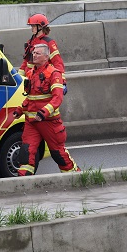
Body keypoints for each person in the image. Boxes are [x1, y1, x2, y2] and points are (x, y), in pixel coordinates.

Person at [16, 43, 79, 176]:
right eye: (33, 53)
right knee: (26, 154)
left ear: (46, 57)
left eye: (37, 53)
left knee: (58, 154)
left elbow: (57, 98)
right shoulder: (31, 73)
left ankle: (75, 176)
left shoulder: (54, 74)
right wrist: (20, 109)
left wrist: (43, 112)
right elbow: (30, 97)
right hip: (32, 122)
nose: (34, 55)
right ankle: (24, 182)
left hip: (49, 122)